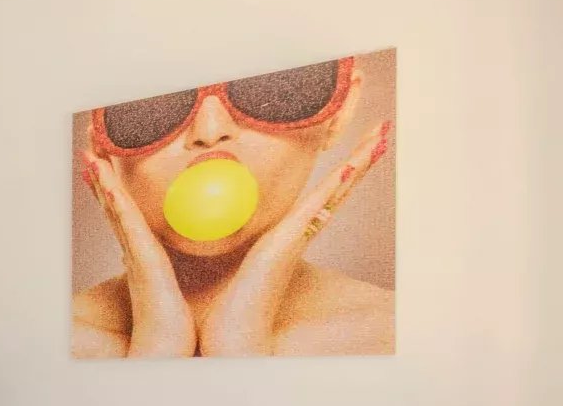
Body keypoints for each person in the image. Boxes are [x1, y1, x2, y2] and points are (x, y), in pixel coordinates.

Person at [72, 56, 393, 358]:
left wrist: (238, 344)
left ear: (339, 115)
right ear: (100, 145)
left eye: (270, 84)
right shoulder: (59, 345)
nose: (210, 131)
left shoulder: (393, 335)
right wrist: (158, 349)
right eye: (155, 103)